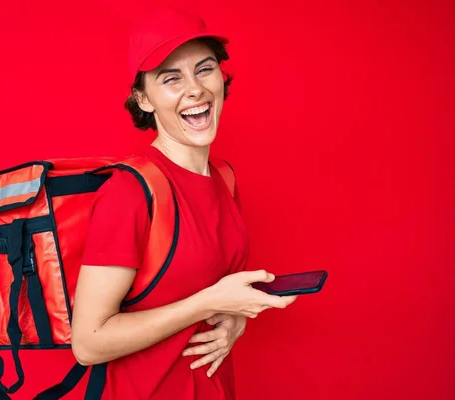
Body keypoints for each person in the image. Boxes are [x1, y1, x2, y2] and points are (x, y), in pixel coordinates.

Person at [71, 6, 297, 400]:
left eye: (204, 69)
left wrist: (234, 319)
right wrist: (206, 303)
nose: (195, 89)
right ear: (143, 99)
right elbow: (88, 343)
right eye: (171, 78)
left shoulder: (224, 177)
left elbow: (216, 290)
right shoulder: (130, 192)